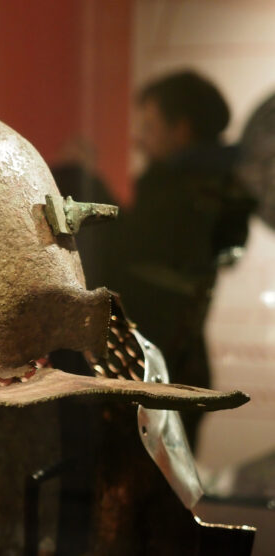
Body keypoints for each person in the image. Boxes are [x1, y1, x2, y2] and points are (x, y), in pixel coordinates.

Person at [96, 71, 256, 448]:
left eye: (150, 125)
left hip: (154, 372)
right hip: (173, 369)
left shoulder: (188, 198)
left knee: (141, 494)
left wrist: (87, 188)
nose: (140, 139)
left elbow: (128, 259)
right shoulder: (212, 192)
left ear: (181, 129)